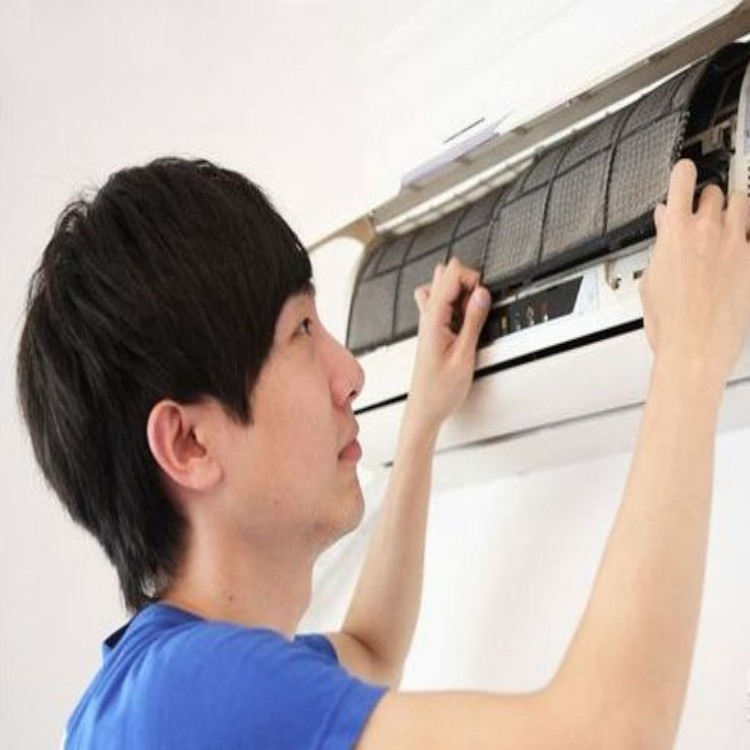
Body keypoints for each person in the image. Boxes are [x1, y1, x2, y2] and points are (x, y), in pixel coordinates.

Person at [15, 156, 750, 750]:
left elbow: (371, 650)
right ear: (189, 442)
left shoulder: (142, 694)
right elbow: (606, 738)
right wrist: (690, 352)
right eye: (301, 332)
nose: (351, 374)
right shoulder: (188, 696)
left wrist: (421, 425)